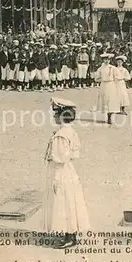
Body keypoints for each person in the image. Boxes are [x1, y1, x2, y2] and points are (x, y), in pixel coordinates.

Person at [43, 97, 90, 249]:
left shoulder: (60, 135)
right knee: (71, 201)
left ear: (60, 116)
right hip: (70, 170)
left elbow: (59, 158)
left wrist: (56, 178)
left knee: (63, 202)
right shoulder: (71, 132)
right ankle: (72, 235)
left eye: (55, 114)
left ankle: (68, 236)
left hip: (61, 171)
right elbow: (75, 155)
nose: (54, 117)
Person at [95, 53, 120, 125]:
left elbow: (117, 76)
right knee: (105, 100)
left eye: (108, 59)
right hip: (104, 85)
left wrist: (114, 81)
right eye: (105, 59)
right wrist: (102, 79)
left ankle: (110, 116)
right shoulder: (100, 68)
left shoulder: (113, 68)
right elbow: (96, 78)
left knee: (111, 100)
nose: (107, 61)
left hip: (111, 85)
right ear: (103, 60)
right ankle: (107, 116)